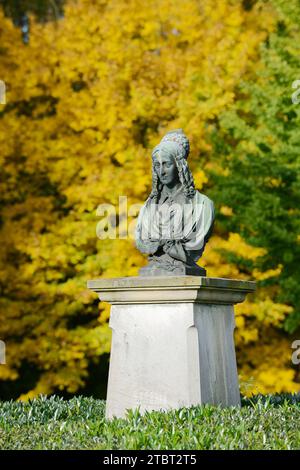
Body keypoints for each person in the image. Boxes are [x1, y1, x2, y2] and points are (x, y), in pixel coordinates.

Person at [135, 129, 214, 275]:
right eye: (157, 166)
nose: (162, 171)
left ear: (179, 166)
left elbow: (194, 243)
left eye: (166, 164)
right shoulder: (148, 207)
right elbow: (142, 240)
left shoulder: (202, 205)